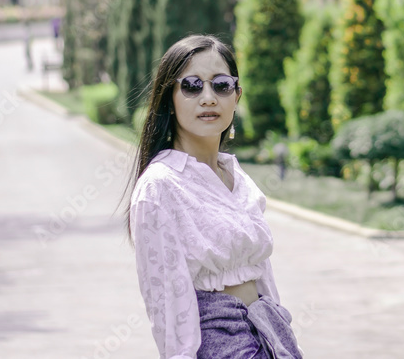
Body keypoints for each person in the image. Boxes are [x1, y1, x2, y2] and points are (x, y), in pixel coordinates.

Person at [123, 34, 303, 359]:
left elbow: (263, 275)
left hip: (269, 333)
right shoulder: (160, 187)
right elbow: (166, 304)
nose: (208, 97)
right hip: (218, 340)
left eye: (221, 85)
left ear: (237, 96)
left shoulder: (237, 177)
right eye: (192, 85)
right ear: (169, 98)